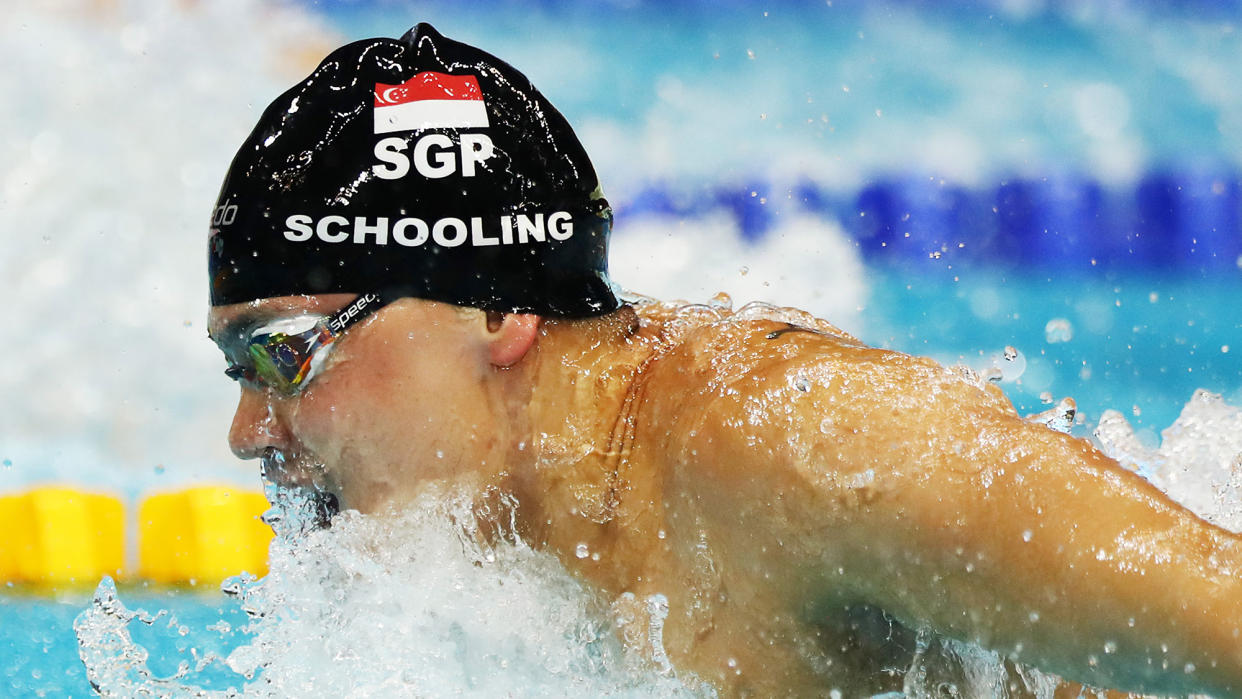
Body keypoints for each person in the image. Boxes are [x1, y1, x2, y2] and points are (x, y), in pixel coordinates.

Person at [207, 23, 1242, 697]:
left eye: (283, 354)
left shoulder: (800, 449)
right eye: (237, 368)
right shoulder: (502, 540)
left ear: (501, 310)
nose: (248, 431)